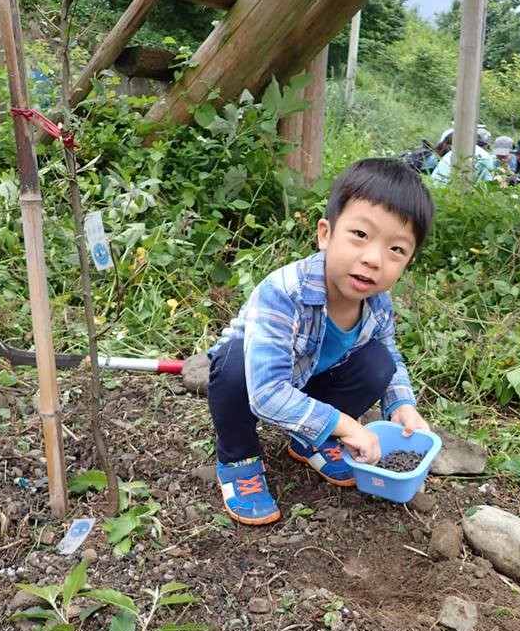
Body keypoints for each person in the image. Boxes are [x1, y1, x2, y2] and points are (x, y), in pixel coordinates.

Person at [206, 158, 434, 525]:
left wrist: (402, 406)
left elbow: (390, 352)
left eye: (396, 250)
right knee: (233, 367)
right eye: (360, 235)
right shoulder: (284, 293)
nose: (373, 259)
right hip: (256, 380)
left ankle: (308, 440)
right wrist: (345, 425)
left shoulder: (378, 304)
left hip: (310, 381)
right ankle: (239, 460)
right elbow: (266, 394)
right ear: (325, 233)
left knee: (380, 362)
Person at [430, 126, 496, 186]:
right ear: (487, 146)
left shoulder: (454, 151)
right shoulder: (486, 157)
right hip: (453, 193)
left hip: (432, 190)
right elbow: (488, 186)